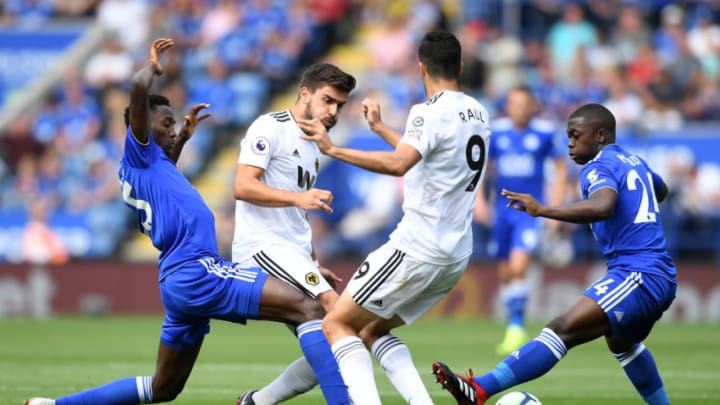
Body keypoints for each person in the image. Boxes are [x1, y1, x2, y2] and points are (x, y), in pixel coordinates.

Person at [26, 38, 347, 405]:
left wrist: (181, 141)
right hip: (197, 271)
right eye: (167, 123)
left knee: (164, 389)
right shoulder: (138, 152)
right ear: (143, 126)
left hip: (178, 282)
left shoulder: (154, 166)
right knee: (308, 306)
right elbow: (136, 92)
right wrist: (151, 71)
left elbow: (167, 179)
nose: (174, 128)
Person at [433, 103, 676, 405]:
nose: (570, 143)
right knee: (622, 343)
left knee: (562, 329)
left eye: (576, 135)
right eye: (568, 136)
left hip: (639, 273)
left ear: (600, 135)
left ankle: (479, 389)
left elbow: (603, 207)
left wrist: (543, 209)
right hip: (653, 271)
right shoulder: (632, 160)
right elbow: (661, 188)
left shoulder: (597, 166)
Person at [298, 31, 492, 405]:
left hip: (417, 247)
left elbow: (402, 162)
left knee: (337, 323)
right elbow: (431, 152)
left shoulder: (428, 112)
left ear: (421, 68)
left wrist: (332, 148)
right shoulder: (478, 112)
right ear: (461, 67)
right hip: (455, 253)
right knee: (370, 328)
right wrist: (381, 129)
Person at [232, 63, 356, 405]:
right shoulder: (269, 126)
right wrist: (299, 197)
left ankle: (257, 401)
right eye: (328, 100)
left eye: (340, 106)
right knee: (335, 312)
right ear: (305, 93)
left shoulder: (316, 146)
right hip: (260, 246)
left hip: (292, 252)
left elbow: (296, 214)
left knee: (333, 337)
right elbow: (242, 186)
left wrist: (312, 262)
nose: (333, 112)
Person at [473, 84, 568, 355]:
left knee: (518, 266)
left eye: (524, 104)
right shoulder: (497, 132)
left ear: (532, 106)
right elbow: (481, 169)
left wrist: (554, 208)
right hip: (502, 212)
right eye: (514, 103)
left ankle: (516, 326)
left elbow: (560, 169)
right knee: (505, 272)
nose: (519, 109)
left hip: (528, 212)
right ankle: (513, 326)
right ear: (508, 106)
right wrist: (479, 201)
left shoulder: (544, 133)